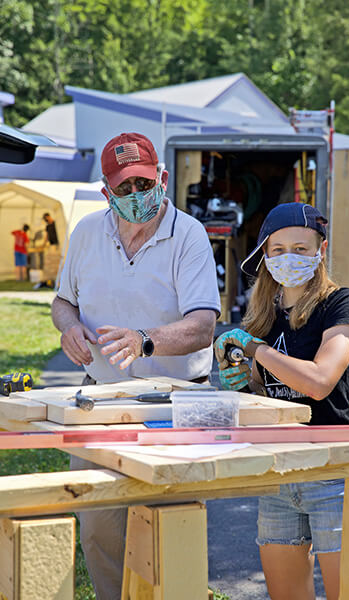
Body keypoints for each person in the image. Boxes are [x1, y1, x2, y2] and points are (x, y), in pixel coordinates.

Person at [51, 131, 221, 600]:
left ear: (163, 180)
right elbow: (63, 302)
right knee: (100, 526)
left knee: (172, 523)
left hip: (178, 399)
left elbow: (204, 325)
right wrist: (69, 327)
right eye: (124, 189)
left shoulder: (188, 234)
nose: (136, 197)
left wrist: (146, 340)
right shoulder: (87, 231)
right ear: (106, 192)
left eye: (144, 185)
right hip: (101, 399)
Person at [214, 202, 349, 600]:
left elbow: (319, 382)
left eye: (301, 249)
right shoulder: (262, 316)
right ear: (264, 255)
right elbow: (265, 400)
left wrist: (257, 352)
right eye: (278, 249)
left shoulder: (342, 304)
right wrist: (240, 384)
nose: (289, 258)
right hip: (279, 472)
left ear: (321, 250)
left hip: (332, 470)